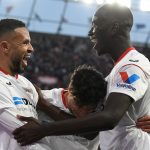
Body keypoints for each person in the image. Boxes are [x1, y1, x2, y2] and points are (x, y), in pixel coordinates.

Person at [13, 3, 150, 150]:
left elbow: (109, 118)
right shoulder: (119, 70)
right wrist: (45, 106)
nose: (91, 32)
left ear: (113, 28)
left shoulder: (132, 66)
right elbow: (92, 131)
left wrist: (43, 129)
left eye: (96, 25)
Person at [0, 18, 105, 150]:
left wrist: (45, 107)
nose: (31, 49)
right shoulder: (42, 96)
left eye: (90, 109)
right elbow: (25, 132)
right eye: (25, 43)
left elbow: (91, 131)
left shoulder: (31, 88)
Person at [37, 64, 106, 150]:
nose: (83, 114)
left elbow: (89, 132)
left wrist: (46, 106)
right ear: (70, 90)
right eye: (79, 105)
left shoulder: (102, 112)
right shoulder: (44, 98)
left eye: (90, 109)